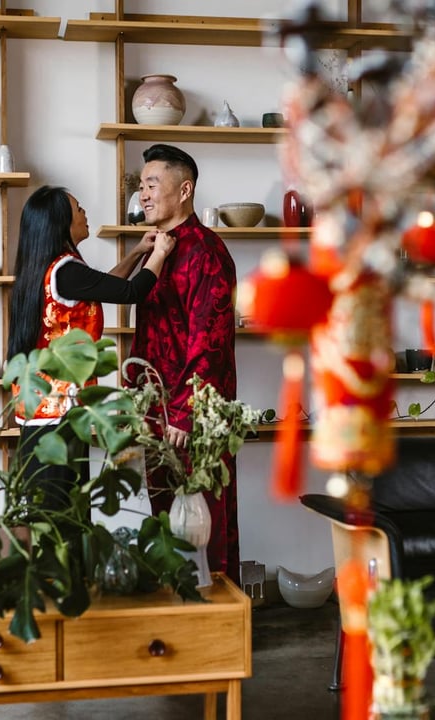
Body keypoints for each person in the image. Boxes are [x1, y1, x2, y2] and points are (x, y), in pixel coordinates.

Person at [7, 185, 175, 512]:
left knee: (55, 522)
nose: (84, 213)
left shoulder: (52, 269)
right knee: (65, 524)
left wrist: (139, 252)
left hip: (41, 418)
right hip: (58, 420)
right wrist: (160, 254)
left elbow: (106, 286)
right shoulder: (65, 270)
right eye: (78, 208)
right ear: (61, 223)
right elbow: (130, 292)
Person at [129, 144, 240, 582]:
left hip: (193, 416)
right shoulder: (158, 250)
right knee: (165, 517)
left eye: (153, 184)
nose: (144, 195)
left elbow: (208, 341)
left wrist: (184, 413)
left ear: (185, 189)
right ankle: (176, 615)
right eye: (141, 186)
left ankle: (217, 621)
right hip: (157, 412)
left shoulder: (206, 252)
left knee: (204, 520)